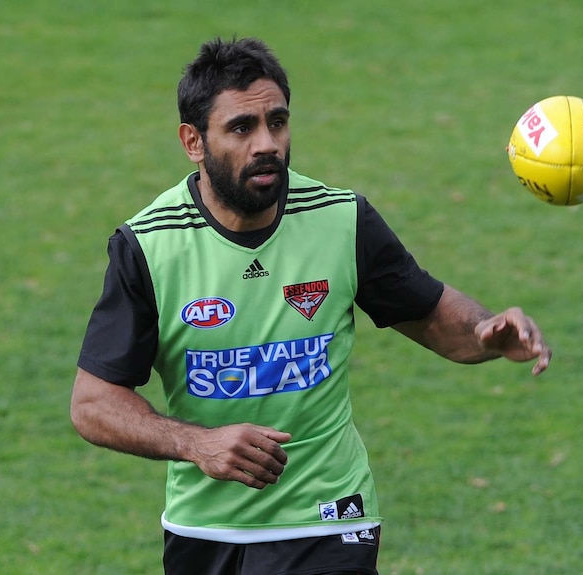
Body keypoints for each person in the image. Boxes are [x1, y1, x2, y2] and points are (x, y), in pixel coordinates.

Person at [70, 36, 552, 575]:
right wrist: (196, 444)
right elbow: (93, 404)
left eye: (277, 122)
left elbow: (434, 315)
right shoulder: (149, 245)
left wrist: (487, 331)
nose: (267, 143)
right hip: (205, 531)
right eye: (241, 128)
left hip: (329, 517)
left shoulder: (340, 220)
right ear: (193, 142)